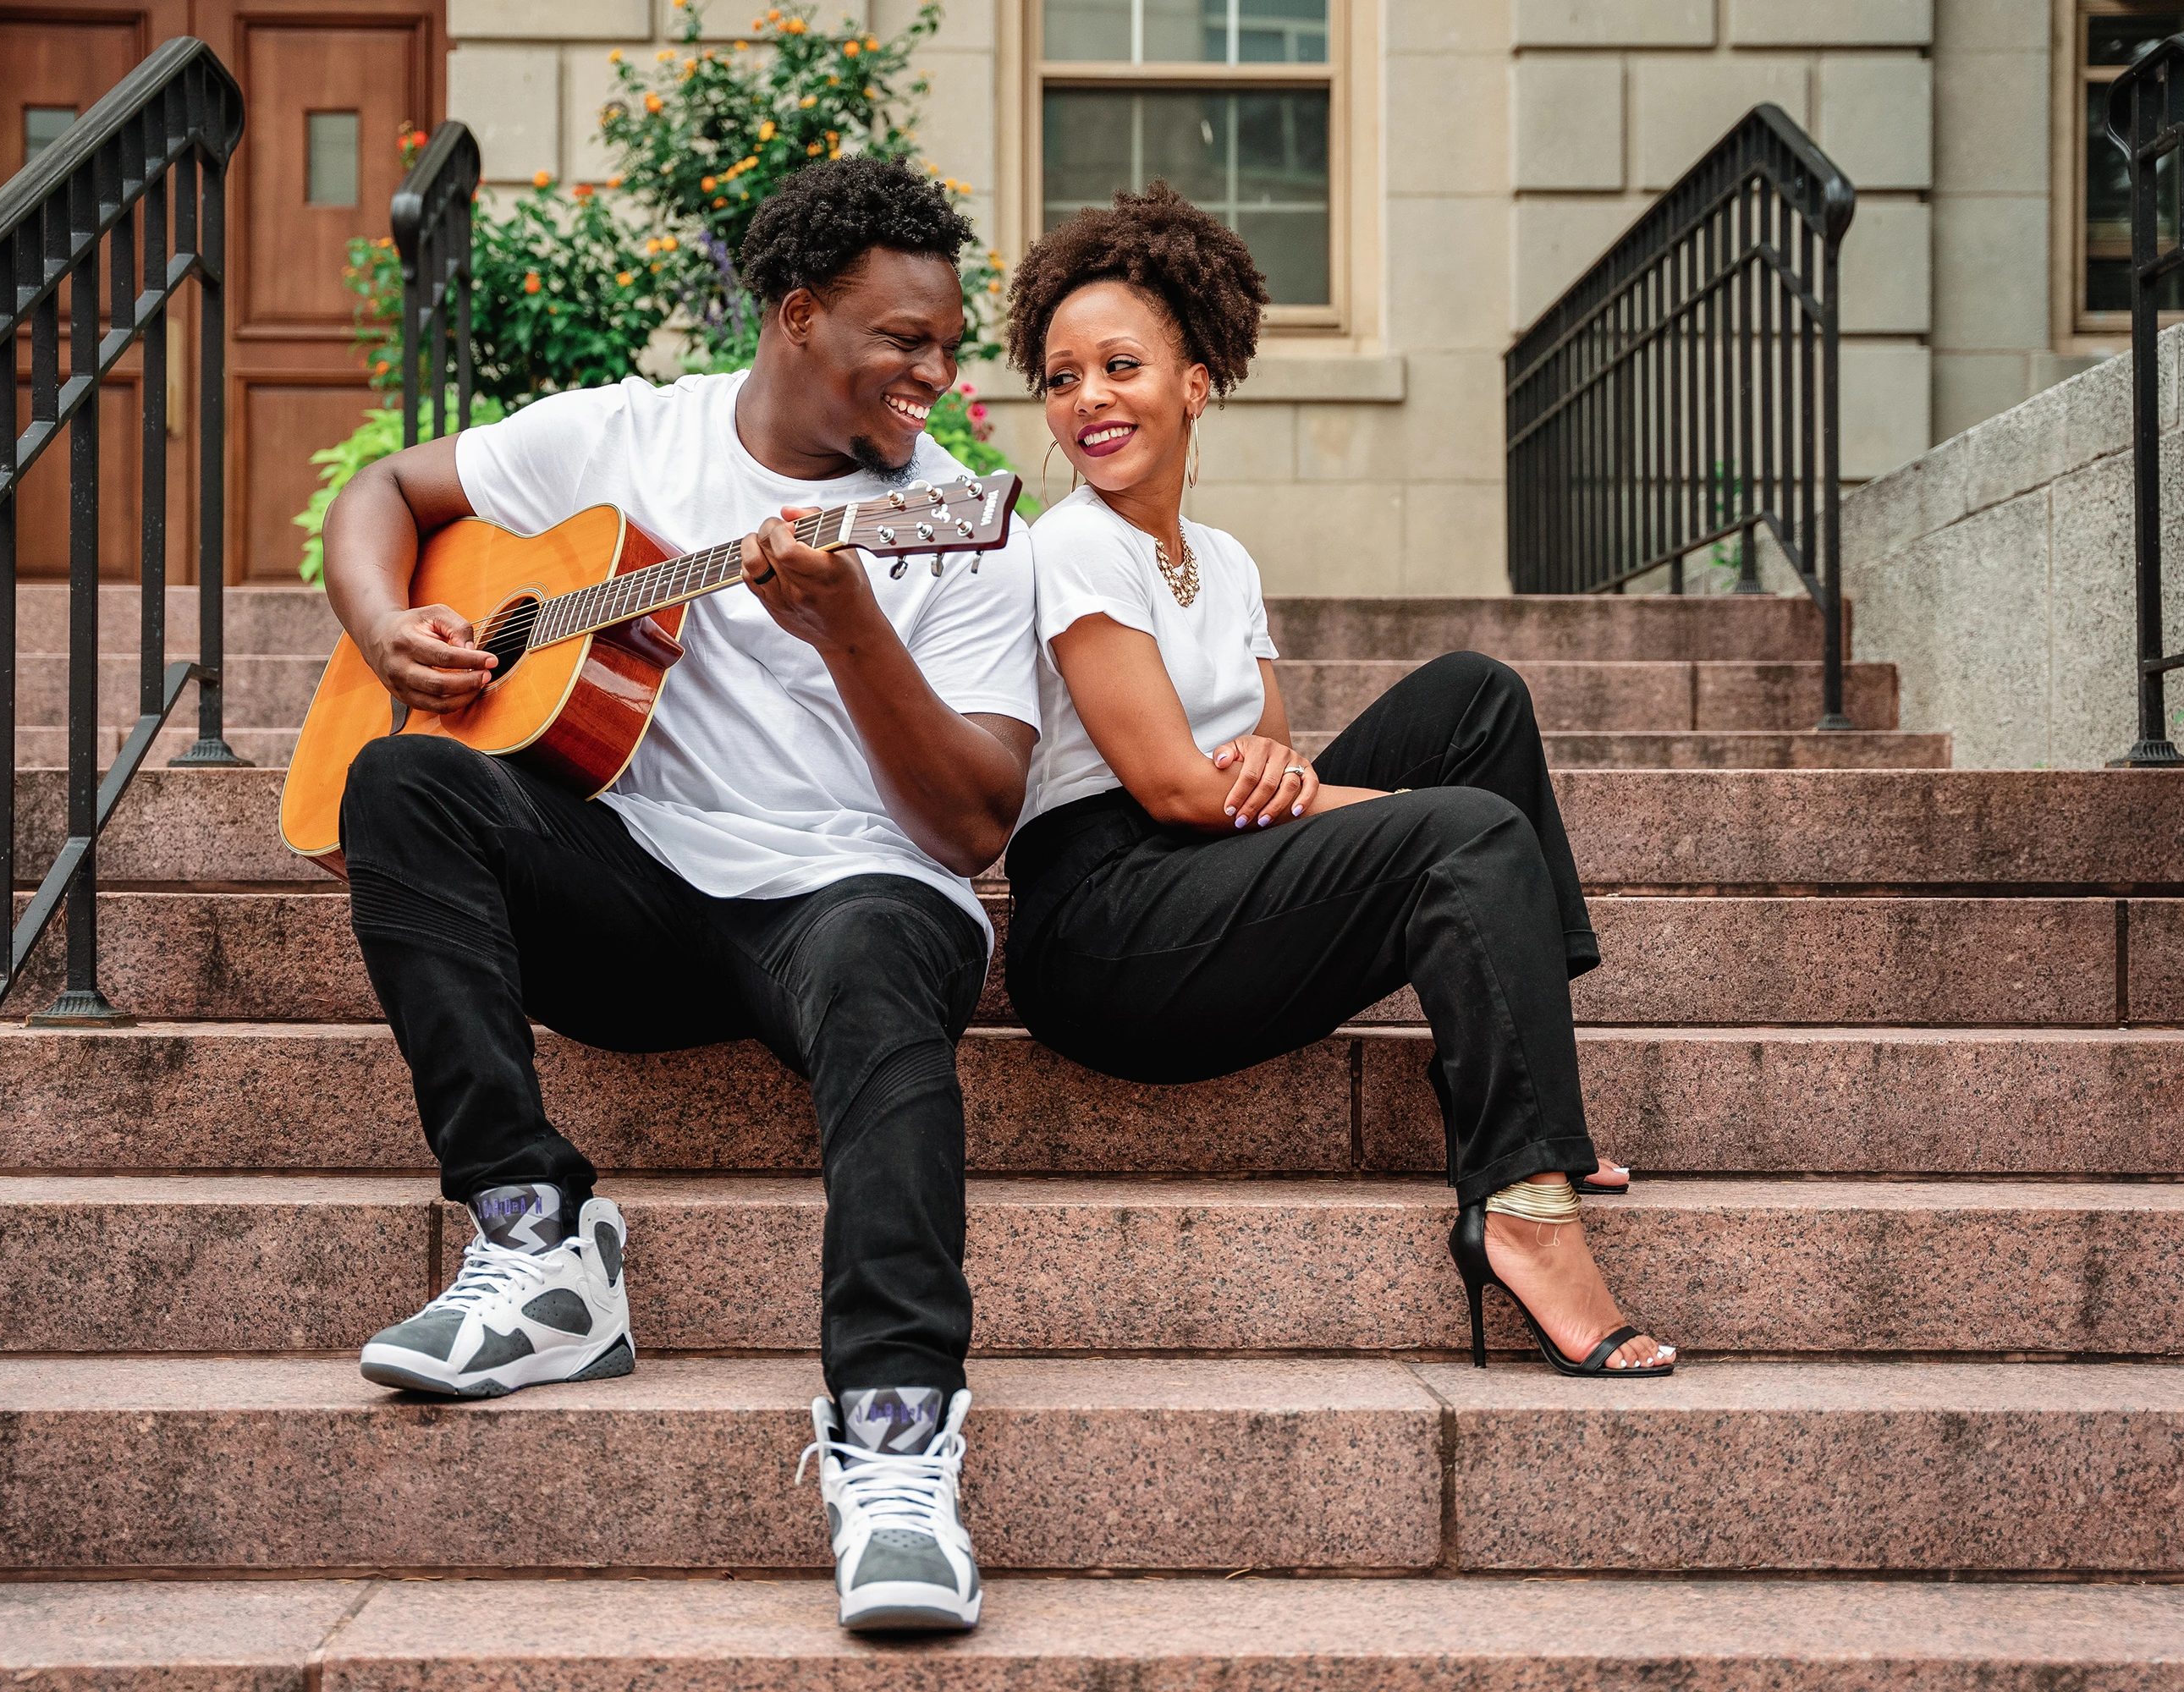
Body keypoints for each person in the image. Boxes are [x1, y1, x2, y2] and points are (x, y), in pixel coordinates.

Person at [320, 157, 1037, 1631]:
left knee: (886, 954)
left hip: (854, 892)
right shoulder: (625, 437)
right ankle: (538, 1251)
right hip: (638, 887)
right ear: (795, 317)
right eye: (901, 338)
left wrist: (856, 642)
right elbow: (385, 489)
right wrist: (393, 629)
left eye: (947, 343)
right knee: (393, 782)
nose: (934, 371)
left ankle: (896, 1444)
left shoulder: (956, 524)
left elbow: (971, 825)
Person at [999, 184, 1673, 1376]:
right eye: (1061, 378)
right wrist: (1408, 821)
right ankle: (1522, 1211)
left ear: (1195, 381)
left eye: (1119, 366)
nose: (1088, 398)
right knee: (1470, 834)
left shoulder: (1222, 558)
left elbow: (1262, 759)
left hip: (1209, 869)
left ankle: (1532, 1100)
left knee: (1474, 697)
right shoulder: (1072, 544)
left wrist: (1276, 767)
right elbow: (1172, 789)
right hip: (1106, 931)